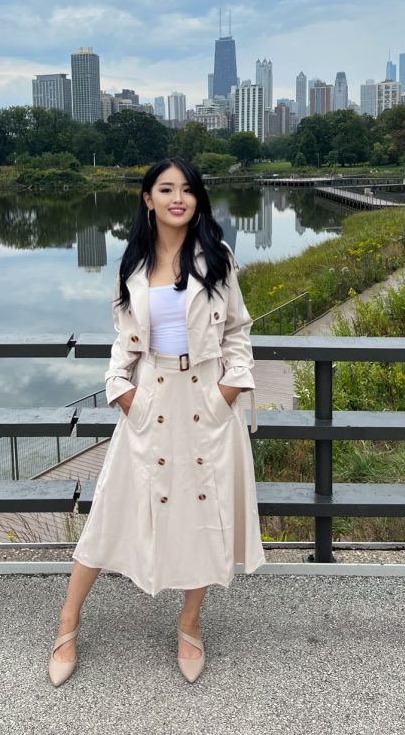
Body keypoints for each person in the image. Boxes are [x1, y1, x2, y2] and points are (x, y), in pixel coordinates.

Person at [48, 156, 266, 687]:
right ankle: (66, 624)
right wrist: (123, 393)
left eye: (187, 190)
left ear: (198, 200)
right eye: (166, 189)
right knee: (111, 509)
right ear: (148, 199)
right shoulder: (133, 267)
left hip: (207, 404)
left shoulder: (218, 258)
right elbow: (123, 343)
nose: (178, 198)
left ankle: (189, 624)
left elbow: (238, 331)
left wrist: (227, 393)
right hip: (151, 400)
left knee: (203, 511)